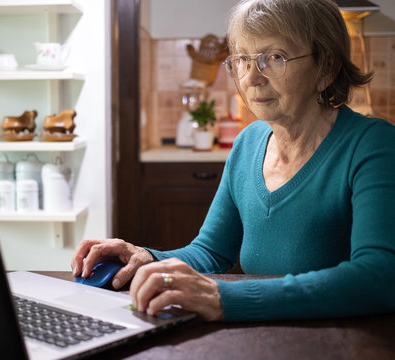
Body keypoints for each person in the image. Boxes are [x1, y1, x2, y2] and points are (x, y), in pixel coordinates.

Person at [72, 0, 395, 322]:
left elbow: (379, 277)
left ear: (326, 68)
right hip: (265, 335)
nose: (251, 77)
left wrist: (224, 297)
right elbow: (212, 252)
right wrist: (145, 258)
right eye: (242, 59)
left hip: (341, 340)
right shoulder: (249, 141)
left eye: (275, 57)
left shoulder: (372, 144)